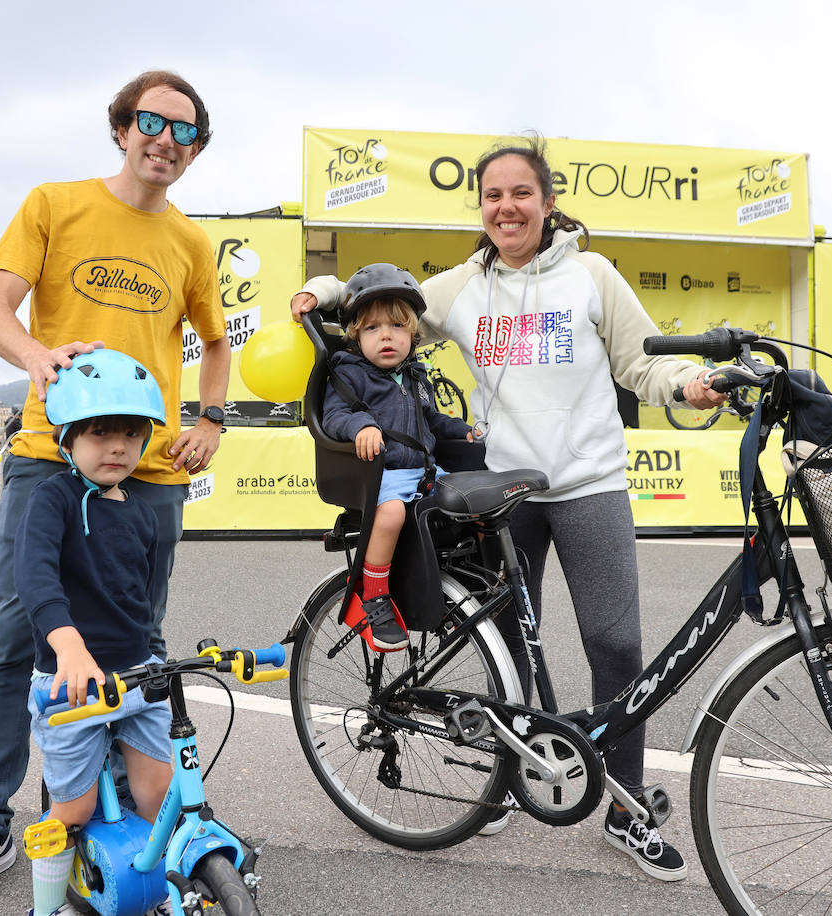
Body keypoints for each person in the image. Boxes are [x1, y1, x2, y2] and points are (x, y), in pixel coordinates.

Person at [292, 136, 724, 882]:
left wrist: (690, 383)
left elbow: (641, 360)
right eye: (493, 196)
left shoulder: (592, 274)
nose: (506, 207)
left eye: (521, 193)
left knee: (615, 646)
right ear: (482, 209)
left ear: (548, 203)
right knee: (506, 649)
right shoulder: (462, 287)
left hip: (588, 485)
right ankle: (502, 784)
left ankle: (621, 807)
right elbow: (381, 311)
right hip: (501, 492)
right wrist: (326, 295)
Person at [0, 69, 228, 912]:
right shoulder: (54, 204)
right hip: (47, 453)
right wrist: (36, 358)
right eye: (153, 121)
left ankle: (140, 807)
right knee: (19, 637)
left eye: (187, 131)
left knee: (137, 635)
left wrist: (210, 419)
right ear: (122, 127)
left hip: (155, 470)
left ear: (196, 150)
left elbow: (214, 341)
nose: (167, 139)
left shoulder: (194, 244)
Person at [17, 349, 173, 916]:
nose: (118, 447)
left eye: (132, 434)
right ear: (68, 437)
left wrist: (159, 661)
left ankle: (156, 886)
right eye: (101, 433)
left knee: (162, 798)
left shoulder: (143, 513)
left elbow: (141, 603)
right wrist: (68, 645)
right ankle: (46, 904)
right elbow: (34, 579)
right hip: (72, 684)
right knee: (72, 812)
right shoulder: (53, 498)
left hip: (136, 677)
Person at [321, 264, 479, 653]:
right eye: (372, 329)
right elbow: (333, 416)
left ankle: (463, 579)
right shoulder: (350, 374)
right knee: (390, 515)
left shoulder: (416, 376)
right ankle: (374, 596)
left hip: (424, 471)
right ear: (356, 338)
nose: (386, 336)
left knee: (474, 500)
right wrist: (361, 427)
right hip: (383, 474)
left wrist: (462, 431)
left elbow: (432, 421)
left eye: (396, 327)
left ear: (413, 334)